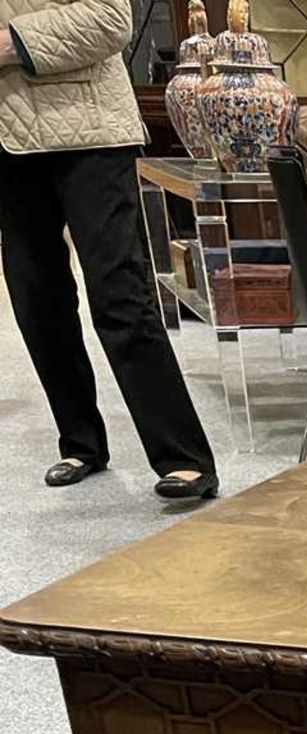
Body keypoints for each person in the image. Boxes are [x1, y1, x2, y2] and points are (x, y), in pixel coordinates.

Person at [0, 0, 219, 500]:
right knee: (36, 299)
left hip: (89, 131)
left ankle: (183, 455)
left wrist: (11, 42)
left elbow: (111, 19)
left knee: (119, 291)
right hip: (8, 142)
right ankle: (80, 442)